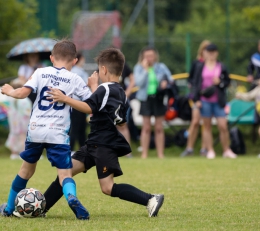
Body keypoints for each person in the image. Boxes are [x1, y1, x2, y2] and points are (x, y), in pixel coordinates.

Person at [41, 47, 164, 218]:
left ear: (104, 69)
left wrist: (65, 98)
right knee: (65, 171)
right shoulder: (120, 91)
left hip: (104, 144)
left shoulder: (105, 89)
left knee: (107, 187)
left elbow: (89, 107)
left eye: (99, 69)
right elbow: (116, 118)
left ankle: (150, 199)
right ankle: (42, 208)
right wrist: (94, 88)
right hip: (95, 143)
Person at [0, 39, 92, 219]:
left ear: (51, 58)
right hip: (57, 133)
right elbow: (90, 106)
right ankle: (71, 197)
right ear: (74, 61)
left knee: (26, 171)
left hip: (36, 130)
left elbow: (22, 93)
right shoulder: (75, 79)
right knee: (64, 173)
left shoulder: (40, 72)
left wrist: (10, 90)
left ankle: (9, 208)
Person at [192, 43, 236, 159]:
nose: (211, 54)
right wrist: (196, 99)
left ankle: (226, 149)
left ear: (217, 53)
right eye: (209, 52)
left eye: (213, 52)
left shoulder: (221, 66)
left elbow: (227, 82)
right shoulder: (200, 66)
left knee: (223, 125)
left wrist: (220, 83)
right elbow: (195, 84)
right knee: (207, 126)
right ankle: (210, 150)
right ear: (204, 53)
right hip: (204, 100)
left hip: (218, 100)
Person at [134, 46, 173, 159]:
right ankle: (144, 154)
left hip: (159, 98)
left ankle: (160, 154)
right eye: (147, 56)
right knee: (146, 127)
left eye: (151, 56)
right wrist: (145, 70)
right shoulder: (139, 68)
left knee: (159, 128)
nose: (149, 58)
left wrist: (165, 82)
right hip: (145, 98)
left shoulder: (161, 67)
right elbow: (139, 83)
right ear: (143, 57)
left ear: (155, 56)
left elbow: (170, 79)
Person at [181, 40, 211, 157]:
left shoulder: (215, 65)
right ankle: (189, 148)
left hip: (209, 97)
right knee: (195, 121)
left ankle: (204, 148)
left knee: (206, 123)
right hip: (196, 97)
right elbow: (190, 79)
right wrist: (193, 86)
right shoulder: (197, 63)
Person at [70, 52, 89, 153]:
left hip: (75, 103)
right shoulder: (78, 72)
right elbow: (85, 85)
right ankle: (73, 149)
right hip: (78, 102)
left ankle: (82, 148)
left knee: (80, 128)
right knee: (77, 128)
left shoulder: (73, 71)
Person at [117, 63, 136, 157]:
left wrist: (127, 93)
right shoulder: (103, 65)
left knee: (123, 125)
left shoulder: (124, 66)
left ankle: (127, 152)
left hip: (122, 99)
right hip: (108, 98)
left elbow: (133, 79)